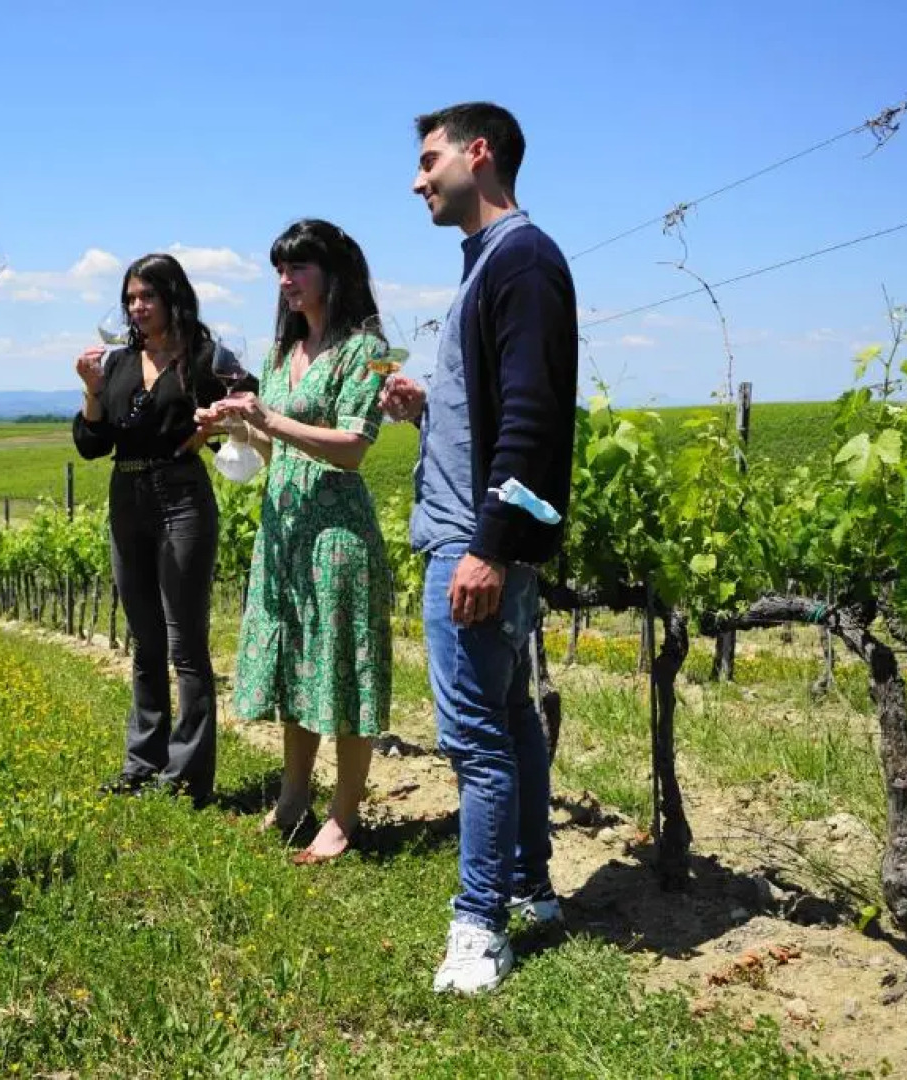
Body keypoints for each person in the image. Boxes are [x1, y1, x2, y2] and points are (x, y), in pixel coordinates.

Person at [379, 103, 578, 995]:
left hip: (473, 538)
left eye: (429, 159)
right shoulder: (491, 264)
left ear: (479, 153)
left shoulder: (521, 259)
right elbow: (499, 407)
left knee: (474, 740)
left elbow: (534, 417)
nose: (418, 178)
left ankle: (478, 924)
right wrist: (429, 410)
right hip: (476, 526)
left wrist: (490, 547)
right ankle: (531, 886)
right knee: (510, 722)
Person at [197, 219, 393, 865]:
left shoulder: (366, 349)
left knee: (340, 672)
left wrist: (269, 417)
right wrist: (230, 428)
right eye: (279, 270)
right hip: (284, 532)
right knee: (297, 670)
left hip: (335, 535)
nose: (285, 281)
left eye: (297, 268)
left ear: (333, 274)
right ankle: (290, 800)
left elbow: (354, 448)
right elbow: (267, 443)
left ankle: (342, 817)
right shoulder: (283, 355)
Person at [72, 253, 254, 809]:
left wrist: (215, 429)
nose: (136, 307)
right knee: (144, 641)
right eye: (130, 298)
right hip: (126, 497)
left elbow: (246, 408)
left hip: (181, 497)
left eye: (146, 296)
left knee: (185, 642)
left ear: (173, 298)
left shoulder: (205, 357)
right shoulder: (120, 362)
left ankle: (189, 775)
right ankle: (142, 763)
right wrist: (91, 391)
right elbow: (91, 444)